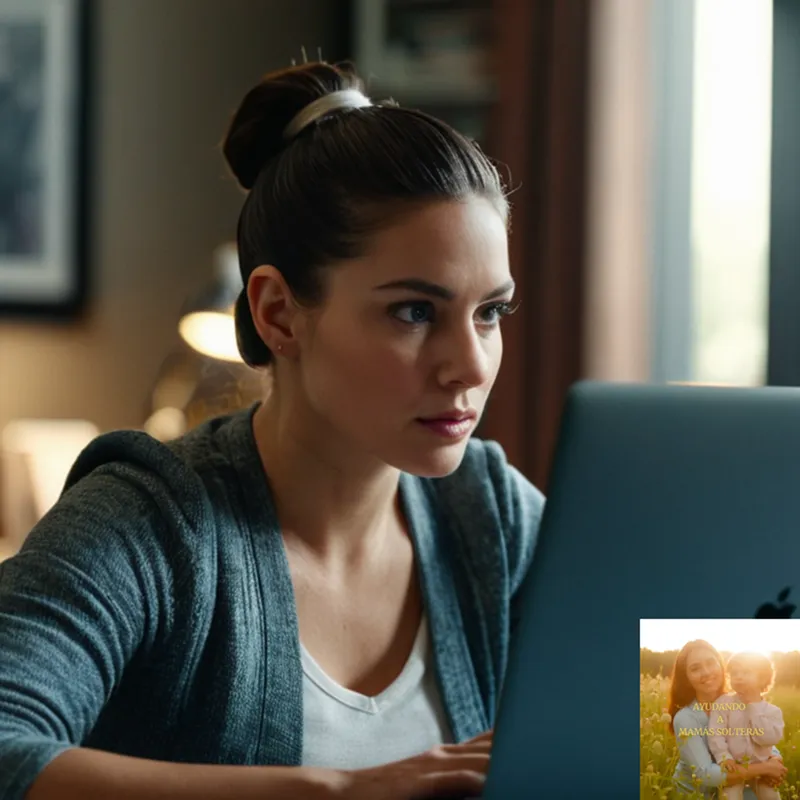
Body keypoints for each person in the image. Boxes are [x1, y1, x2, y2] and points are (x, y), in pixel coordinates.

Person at [0, 60, 545, 800]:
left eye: (490, 313)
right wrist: (338, 792)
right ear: (278, 314)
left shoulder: (492, 514)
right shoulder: (150, 523)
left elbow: (681, 726)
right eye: (415, 312)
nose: (470, 366)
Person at [668, 640, 787, 798]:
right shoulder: (685, 718)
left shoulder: (740, 700)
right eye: (695, 668)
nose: (706, 672)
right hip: (699, 794)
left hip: (740, 783)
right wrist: (765, 768)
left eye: (711, 663)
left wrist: (775, 759)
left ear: (721, 666)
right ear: (686, 678)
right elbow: (705, 774)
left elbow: (758, 739)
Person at [706, 652, 785, 800]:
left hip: (762, 768)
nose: (739, 677)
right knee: (729, 797)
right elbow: (716, 733)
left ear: (762, 678)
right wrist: (724, 757)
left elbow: (768, 739)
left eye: (746, 672)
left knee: (771, 796)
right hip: (734, 766)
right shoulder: (723, 703)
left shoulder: (773, 712)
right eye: (734, 673)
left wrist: (753, 707)